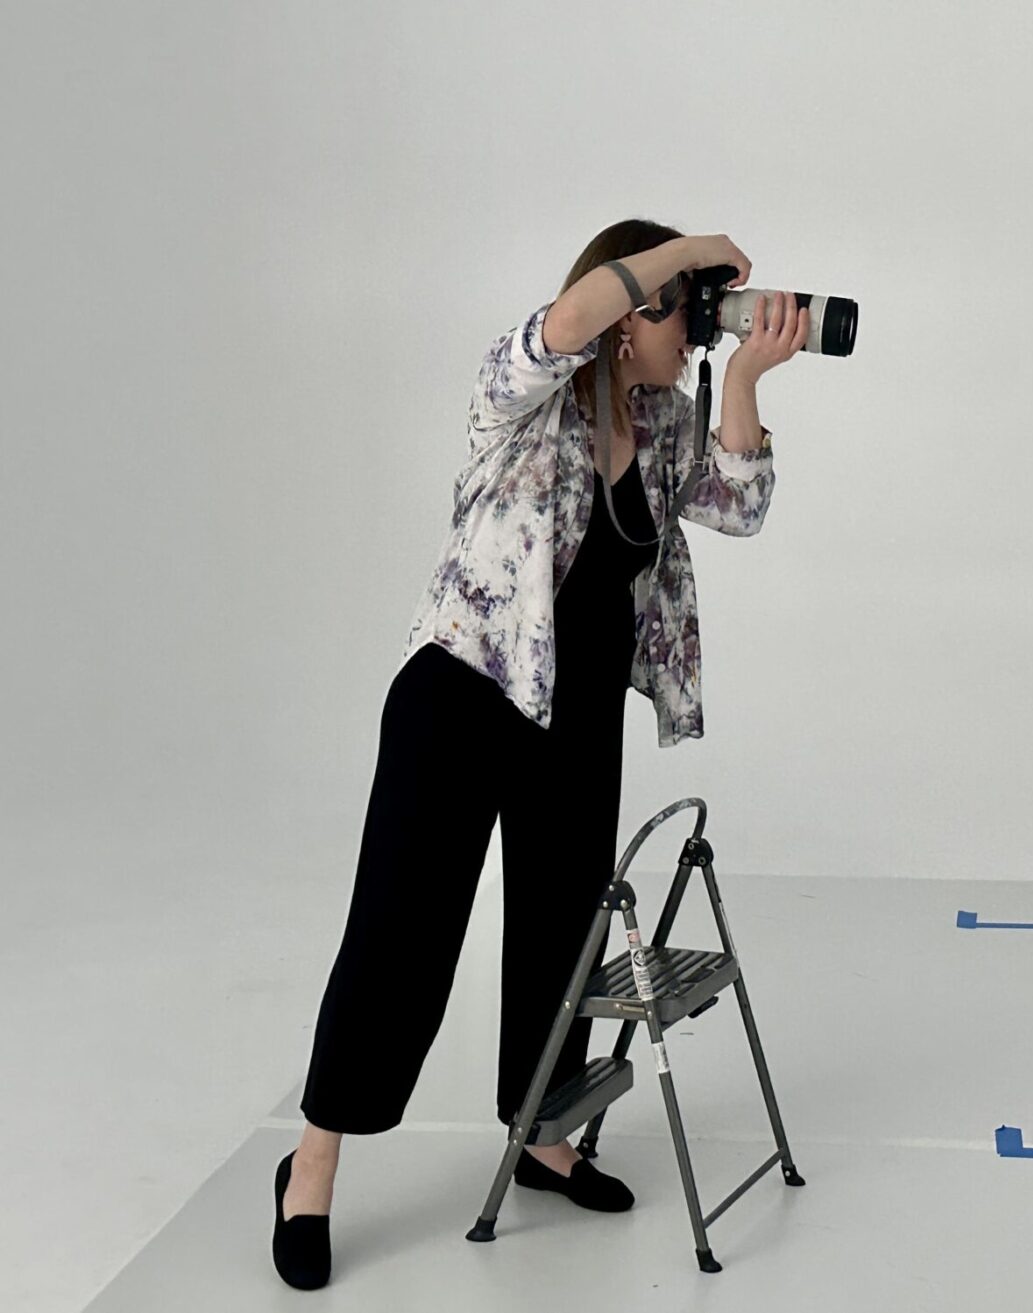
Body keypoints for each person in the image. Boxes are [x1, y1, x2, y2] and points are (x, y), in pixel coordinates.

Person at [270, 221, 808, 1289]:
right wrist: (692, 245)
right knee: (400, 929)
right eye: (683, 316)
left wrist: (746, 371)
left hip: (574, 716)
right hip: (463, 694)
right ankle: (313, 1162)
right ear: (627, 322)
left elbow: (741, 503)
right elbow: (564, 321)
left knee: (564, 927)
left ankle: (543, 1137)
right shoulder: (520, 396)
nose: (694, 336)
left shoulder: (664, 425)